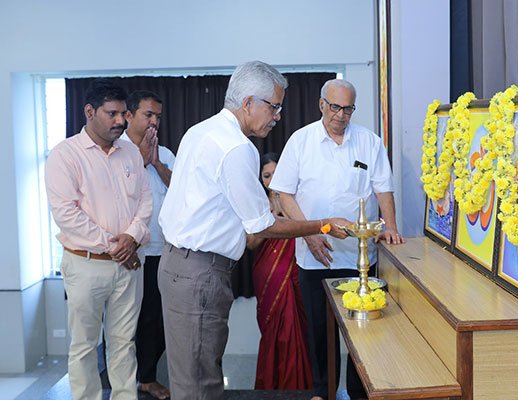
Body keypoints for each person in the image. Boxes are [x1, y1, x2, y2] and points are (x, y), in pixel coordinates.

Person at [157, 61, 352, 400]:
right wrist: (323, 224)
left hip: (178, 264)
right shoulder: (237, 148)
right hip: (200, 272)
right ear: (248, 103)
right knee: (199, 384)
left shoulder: (200, 130)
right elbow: (262, 225)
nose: (277, 116)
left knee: (191, 375)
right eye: (274, 106)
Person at [269, 78, 404, 400]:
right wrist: (310, 233)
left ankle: (359, 392)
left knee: (363, 331)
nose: (341, 115)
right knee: (320, 330)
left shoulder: (369, 142)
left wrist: (391, 226)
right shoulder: (300, 141)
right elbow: (284, 193)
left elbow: (383, 189)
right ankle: (323, 391)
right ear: (321, 105)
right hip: (314, 256)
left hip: (360, 259)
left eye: (348, 109)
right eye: (334, 107)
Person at [45, 79, 152, 400]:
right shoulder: (65, 155)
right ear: (90, 112)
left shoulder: (130, 152)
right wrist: (117, 246)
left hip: (128, 265)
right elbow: (67, 214)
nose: (121, 121)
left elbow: (145, 201)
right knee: (84, 345)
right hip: (86, 264)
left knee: (124, 343)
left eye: (123, 114)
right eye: (112, 114)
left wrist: (132, 237)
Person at [123, 90, 175, 399]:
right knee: (126, 320)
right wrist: (140, 161)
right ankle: (123, 380)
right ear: (129, 116)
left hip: (162, 250)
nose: (154, 121)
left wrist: (155, 162)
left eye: (158, 116)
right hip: (129, 251)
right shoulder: (115, 151)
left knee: (157, 319)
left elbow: (181, 189)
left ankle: (147, 377)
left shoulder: (165, 153)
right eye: (148, 115)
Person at [247, 153, 312, 390]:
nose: (272, 180)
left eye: (276, 174)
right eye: (267, 176)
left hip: (295, 269)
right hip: (268, 272)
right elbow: (250, 244)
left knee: (296, 326)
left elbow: (310, 230)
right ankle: (272, 383)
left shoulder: (296, 201)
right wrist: (269, 220)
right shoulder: (256, 203)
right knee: (273, 327)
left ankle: (300, 384)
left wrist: (287, 215)